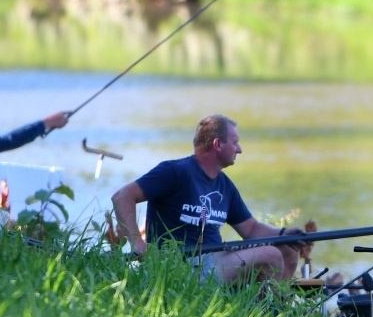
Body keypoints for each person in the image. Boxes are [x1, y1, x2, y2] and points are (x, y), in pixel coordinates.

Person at [110, 114, 310, 284]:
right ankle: (271, 309)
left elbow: (250, 229)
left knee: (288, 248)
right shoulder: (175, 172)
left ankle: (271, 304)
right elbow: (122, 196)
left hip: (216, 258)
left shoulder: (225, 185)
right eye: (235, 143)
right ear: (217, 144)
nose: (239, 149)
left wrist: (284, 233)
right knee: (270, 254)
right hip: (182, 264)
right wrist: (137, 243)